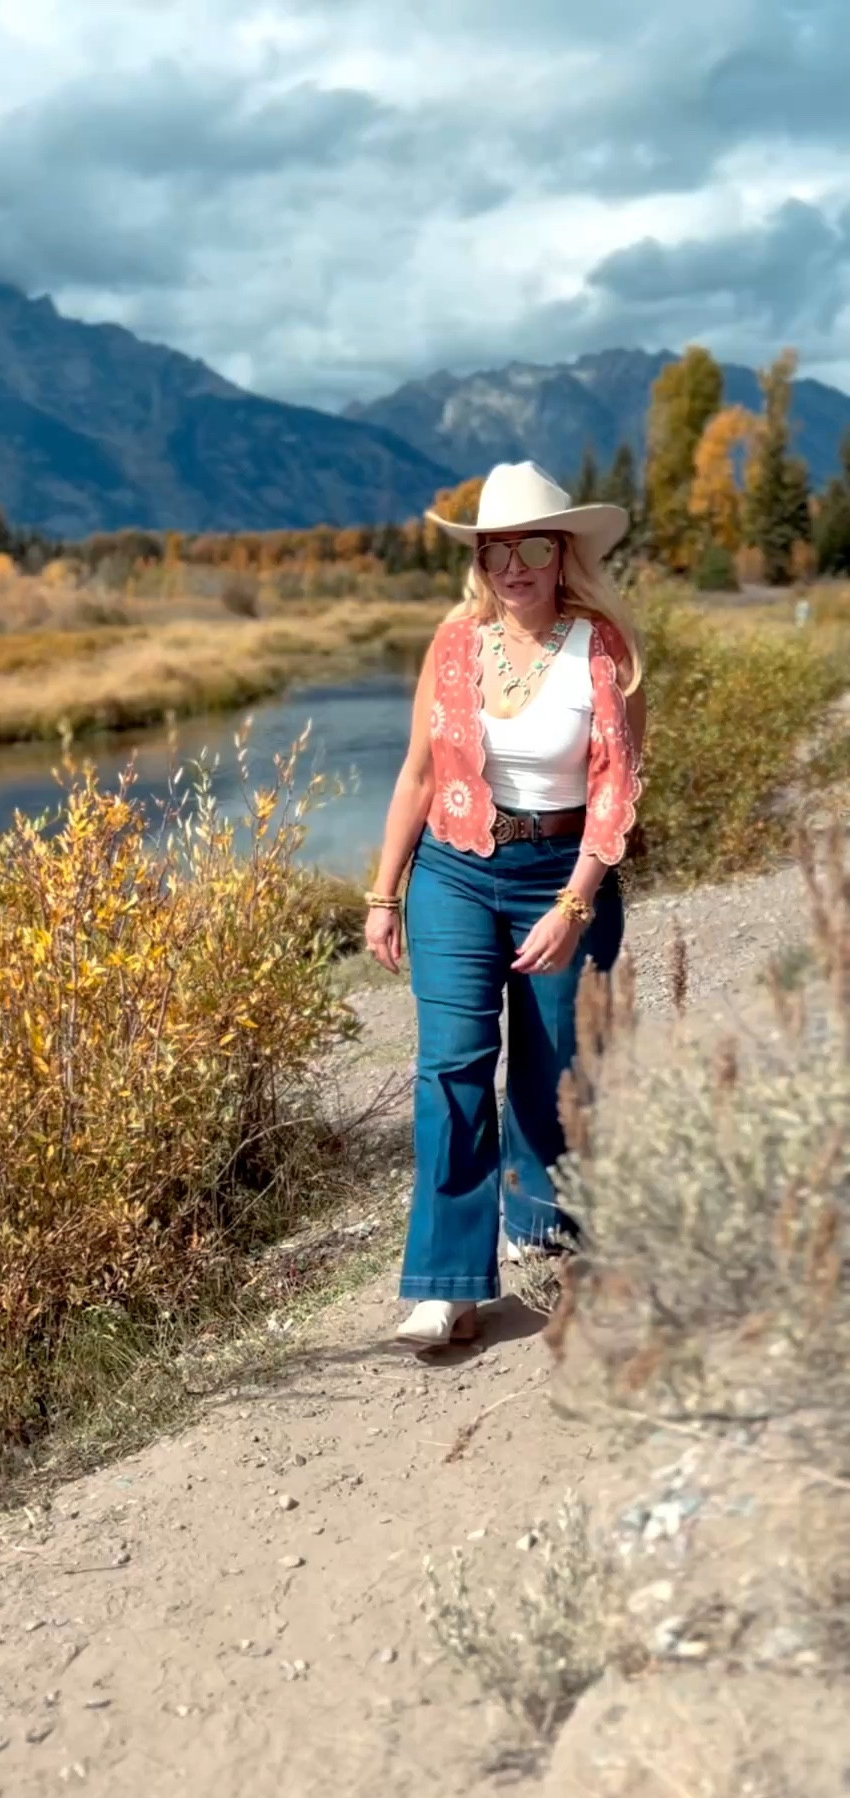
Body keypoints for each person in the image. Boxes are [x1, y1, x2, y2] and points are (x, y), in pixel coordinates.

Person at [364, 461, 646, 1349]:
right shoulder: (452, 647)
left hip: (565, 872)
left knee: (549, 1069)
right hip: (455, 870)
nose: (513, 566)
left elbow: (615, 791)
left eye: (530, 546)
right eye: (496, 551)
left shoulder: (604, 650)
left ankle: (544, 1228)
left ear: (563, 554)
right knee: (451, 1064)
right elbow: (416, 774)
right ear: (479, 562)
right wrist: (383, 893)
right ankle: (447, 1284)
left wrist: (574, 903)